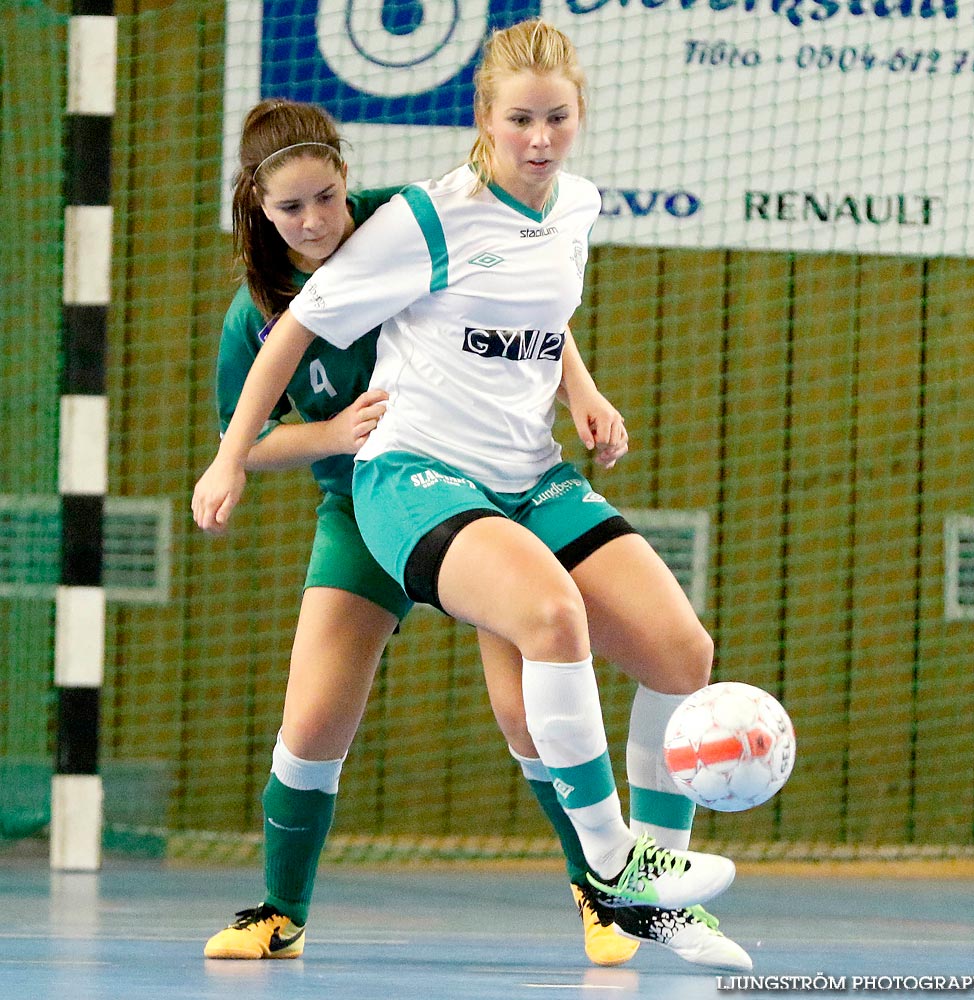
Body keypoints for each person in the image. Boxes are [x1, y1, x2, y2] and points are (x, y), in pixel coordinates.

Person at [194, 20, 751, 971]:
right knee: (330, 716)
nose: (318, 218)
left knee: (661, 655)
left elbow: (527, 302)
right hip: (388, 492)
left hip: (513, 480)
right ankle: (293, 908)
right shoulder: (291, 292)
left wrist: (580, 387)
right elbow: (290, 354)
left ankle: (637, 880)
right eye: (294, 207)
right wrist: (238, 458)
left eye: (557, 116)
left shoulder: (505, 210)